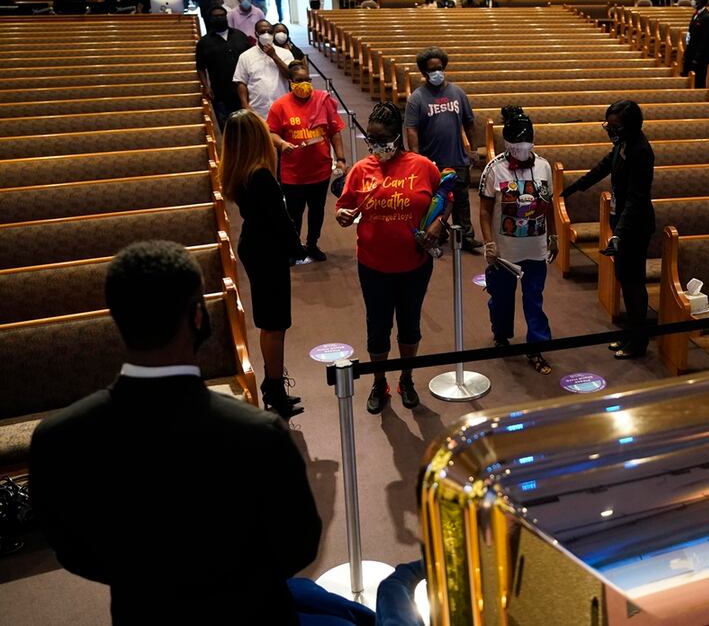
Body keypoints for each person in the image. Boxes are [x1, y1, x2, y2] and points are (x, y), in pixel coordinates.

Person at [29, 240, 322, 622]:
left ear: (117, 319)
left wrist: (147, 579)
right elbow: (299, 544)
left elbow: (71, 549)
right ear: (199, 317)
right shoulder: (259, 434)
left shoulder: (58, 439)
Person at [335, 103, 449, 414]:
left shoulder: (423, 166)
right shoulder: (361, 170)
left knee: (410, 325)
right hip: (373, 264)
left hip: (414, 264)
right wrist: (343, 215)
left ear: (396, 137)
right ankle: (378, 381)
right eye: (371, 139)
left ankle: (407, 379)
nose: (376, 146)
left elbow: (443, 197)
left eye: (382, 139)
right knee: (378, 327)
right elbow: (344, 206)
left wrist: (438, 224)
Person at [219, 110, 305, 416]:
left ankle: (274, 386)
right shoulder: (260, 175)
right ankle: (274, 390)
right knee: (275, 324)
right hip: (268, 250)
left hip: (255, 246)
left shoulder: (239, 169)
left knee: (272, 322)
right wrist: (297, 247)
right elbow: (281, 220)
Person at [560, 101, 655, 359]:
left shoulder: (640, 151)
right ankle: (631, 333)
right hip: (622, 223)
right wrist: (573, 187)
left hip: (634, 225)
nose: (610, 130)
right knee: (625, 279)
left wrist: (619, 234)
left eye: (615, 126)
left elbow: (636, 199)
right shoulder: (623, 143)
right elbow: (603, 167)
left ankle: (638, 342)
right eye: (608, 125)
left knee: (634, 283)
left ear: (630, 126)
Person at [479, 107, 557, 374]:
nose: (522, 151)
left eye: (527, 146)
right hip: (504, 251)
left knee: (534, 298)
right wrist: (489, 243)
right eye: (517, 146)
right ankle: (501, 334)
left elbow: (550, 205)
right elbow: (485, 209)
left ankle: (536, 346)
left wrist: (554, 236)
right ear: (508, 145)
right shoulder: (494, 169)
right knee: (501, 297)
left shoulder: (544, 166)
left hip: (535, 248)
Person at [267, 61, 347, 264]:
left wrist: (341, 159)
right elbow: (272, 132)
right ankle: (292, 248)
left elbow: (335, 131)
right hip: (293, 172)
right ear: (291, 82)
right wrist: (282, 143)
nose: (304, 84)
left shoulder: (323, 101)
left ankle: (313, 244)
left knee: (317, 210)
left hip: (319, 170)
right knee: (293, 213)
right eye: (299, 81)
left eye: (307, 80)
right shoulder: (280, 106)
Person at [405, 46, 483, 251]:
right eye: (432, 70)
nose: (437, 72)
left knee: (461, 200)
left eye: (440, 68)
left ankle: (465, 236)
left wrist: (473, 149)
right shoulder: (417, 98)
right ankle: (437, 234)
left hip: (457, 157)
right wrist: (416, 157)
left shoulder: (457, 92)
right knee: (434, 202)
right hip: (432, 161)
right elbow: (411, 129)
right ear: (424, 73)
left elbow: (470, 123)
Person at [196, 4, 252, 129]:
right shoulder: (204, 43)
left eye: (222, 16)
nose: (219, 18)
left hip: (244, 88)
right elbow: (200, 68)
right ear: (210, 19)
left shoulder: (239, 35)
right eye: (216, 16)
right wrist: (206, 87)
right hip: (220, 90)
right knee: (227, 125)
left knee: (247, 123)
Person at [233, 19, 294, 119]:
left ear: (273, 33)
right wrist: (245, 105)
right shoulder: (245, 56)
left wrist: (274, 56)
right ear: (256, 34)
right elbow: (241, 82)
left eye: (269, 32)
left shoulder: (285, 53)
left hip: (283, 108)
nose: (266, 34)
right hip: (258, 109)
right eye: (262, 32)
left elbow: (290, 75)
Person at [681, 0, 709, 89]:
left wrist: (697, 57)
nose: (693, 1)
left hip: (700, 56)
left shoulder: (707, 17)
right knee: (686, 77)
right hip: (691, 52)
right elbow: (691, 34)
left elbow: (704, 40)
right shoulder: (696, 14)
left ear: (701, 2)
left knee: (698, 81)